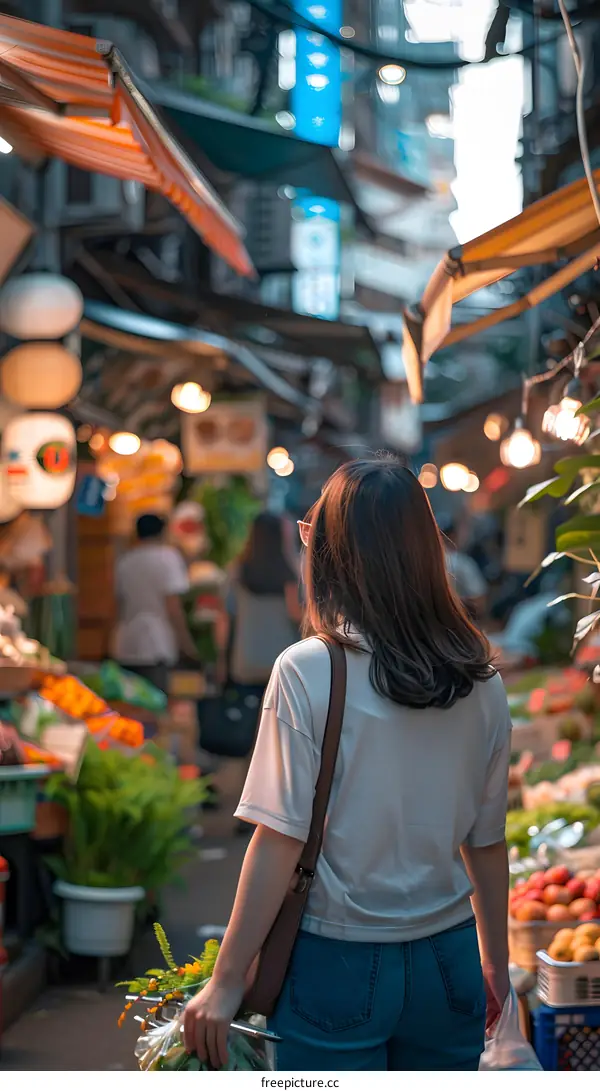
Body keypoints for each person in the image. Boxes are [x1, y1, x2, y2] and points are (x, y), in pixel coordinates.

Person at [183, 456, 511, 1072]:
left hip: (338, 962)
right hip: (451, 960)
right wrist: (496, 963)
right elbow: (487, 845)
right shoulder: (481, 680)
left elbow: (279, 838)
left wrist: (226, 982)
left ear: (330, 554)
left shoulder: (309, 668)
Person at [112, 513, 197, 694]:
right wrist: (186, 643)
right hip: (157, 643)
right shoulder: (168, 558)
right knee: (155, 703)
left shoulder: (125, 561)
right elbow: (173, 606)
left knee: (130, 704)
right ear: (162, 532)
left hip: (126, 642)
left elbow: (116, 607)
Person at [442, 517, 488, 622]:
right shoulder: (462, 562)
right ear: (455, 536)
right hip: (458, 623)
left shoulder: (425, 561)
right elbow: (480, 602)